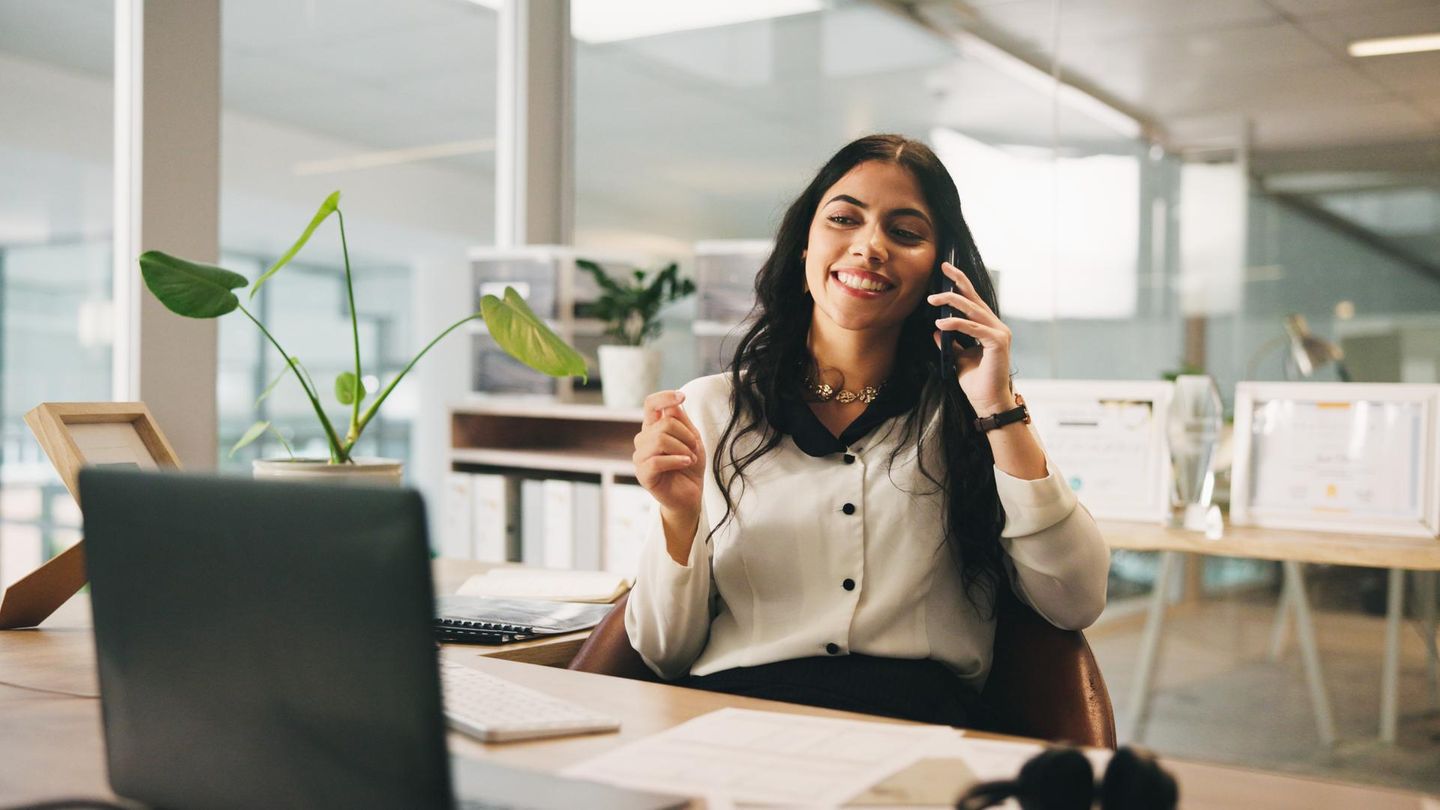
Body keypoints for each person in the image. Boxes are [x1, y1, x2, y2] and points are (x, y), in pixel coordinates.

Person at [624, 133, 1109, 728]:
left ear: (940, 270)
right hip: (739, 723)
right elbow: (661, 653)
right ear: (804, 250)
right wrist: (679, 518)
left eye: (905, 232)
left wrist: (1000, 411)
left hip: (915, 730)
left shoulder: (970, 415)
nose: (870, 247)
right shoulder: (709, 408)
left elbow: (1075, 600)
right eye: (844, 219)